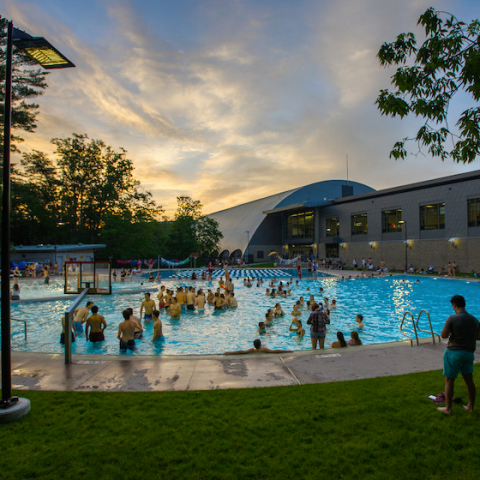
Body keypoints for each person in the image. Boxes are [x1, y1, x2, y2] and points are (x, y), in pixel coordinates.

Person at [438, 295, 480, 414]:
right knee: (469, 381)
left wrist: (453, 332)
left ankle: (448, 409)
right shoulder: (474, 320)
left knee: (449, 380)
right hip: (468, 353)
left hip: (454, 352)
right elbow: (479, 336)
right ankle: (470, 407)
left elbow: (443, 335)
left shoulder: (452, 319)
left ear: (454, 305)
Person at [223, 338, 293, 355]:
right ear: (260, 345)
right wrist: (287, 351)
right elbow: (275, 351)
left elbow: (241, 351)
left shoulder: (252, 350)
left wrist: (229, 353)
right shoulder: (264, 350)